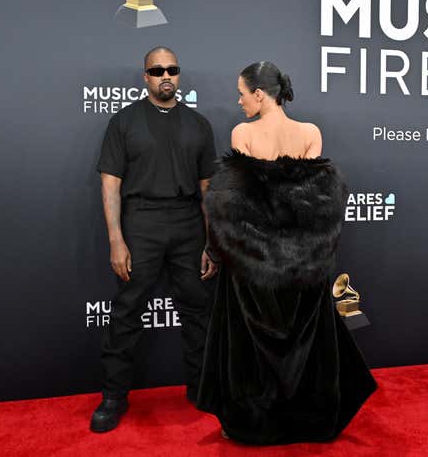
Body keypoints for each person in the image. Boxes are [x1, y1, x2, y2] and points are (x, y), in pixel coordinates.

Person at [196, 62, 377, 445]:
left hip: (252, 266)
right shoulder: (310, 133)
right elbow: (311, 206)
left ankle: (255, 424)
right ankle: (305, 421)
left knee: (252, 351)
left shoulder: (243, 133)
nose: (239, 100)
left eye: (242, 93)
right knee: (304, 346)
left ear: (260, 95)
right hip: (303, 264)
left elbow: (236, 207)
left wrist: (216, 249)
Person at [91, 46, 219, 433]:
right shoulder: (124, 121)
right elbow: (110, 184)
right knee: (128, 311)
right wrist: (116, 240)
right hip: (140, 223)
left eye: (172, 69)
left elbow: (208, 189)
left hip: (187, 223)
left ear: (179, 75)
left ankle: (202, 389)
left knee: (199, 311)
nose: (166, 75)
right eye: (157, 70)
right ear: (144, 76)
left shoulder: (199, 125)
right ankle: (114, 396)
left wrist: (211, 242)